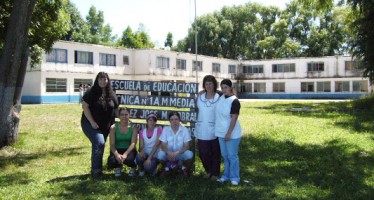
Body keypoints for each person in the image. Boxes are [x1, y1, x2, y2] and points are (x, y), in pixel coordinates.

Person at [81, 71, 119, 177]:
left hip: (105, 126)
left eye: (105, 79)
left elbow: (116, 109)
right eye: (100, 79)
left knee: (100, 145)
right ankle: (96, 171)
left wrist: (123, 118)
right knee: (99, 142)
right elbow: (85, 107)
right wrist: (92, 122)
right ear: (97, 80)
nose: (103, 81)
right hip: (89, 124)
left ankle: (99, 168)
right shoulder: (91, 91)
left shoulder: (111, 93)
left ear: (108, 80)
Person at [215, 79, 242, 186]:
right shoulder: (221, 96)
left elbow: (234, 119)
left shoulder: (234, 101)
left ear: (231, 87)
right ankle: (226, 176)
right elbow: (209, 90)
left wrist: (229, 133)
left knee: (232, 156)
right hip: (220, 132)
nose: (223, 89)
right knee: (225, 156)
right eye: (222, 87)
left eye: (226, 87)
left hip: (232, 133)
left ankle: (235, 177)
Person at [194, 75, 221, 180]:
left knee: (215, 153)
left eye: (211, 83)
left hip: (215, 129)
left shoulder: (219, 97)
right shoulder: (200, 97)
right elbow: (195, 110)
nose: (209, 86)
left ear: (214, 85)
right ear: (204, 85)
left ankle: (215, 173)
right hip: (201, 129)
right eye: (206, 84)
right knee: (203, 153)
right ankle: (208, 170)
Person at [157, 112, 193, 176]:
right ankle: (166, 168)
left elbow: (187, 146)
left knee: (189, 154)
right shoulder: (166, 129)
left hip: (179, 154)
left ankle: (183, 168)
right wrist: (169, 152)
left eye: (176, 119)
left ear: (179, 120)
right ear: (169, 121)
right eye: (172, 119)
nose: (174, 121)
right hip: (168, 154)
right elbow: (163, 145)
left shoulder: (184, 130)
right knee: (160, 155)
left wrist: (176, 153)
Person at [107, 107, 138, 177]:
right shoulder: (113, 127)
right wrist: (117, 155)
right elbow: (112, 145)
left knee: (129, 160)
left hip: (129, 150)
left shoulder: (134, 127)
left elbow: (133, 143)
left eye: (126, 114)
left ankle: (133, 167)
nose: (124, 116)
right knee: (111, 162)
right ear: (118, 116)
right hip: (117, 149)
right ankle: (118, 167)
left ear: (129, 115)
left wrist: (125, 154)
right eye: (122, 114)